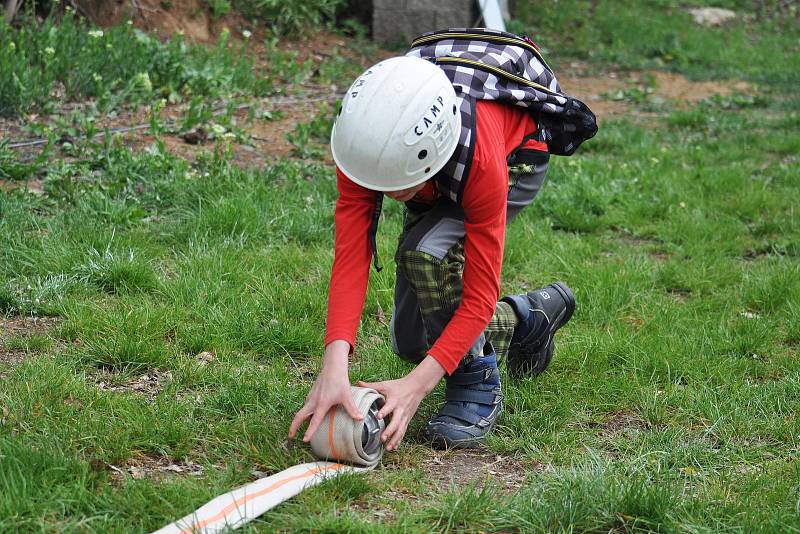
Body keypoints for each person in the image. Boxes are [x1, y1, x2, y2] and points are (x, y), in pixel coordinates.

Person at [289, 29, 595, 450]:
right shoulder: (366, 141)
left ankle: (478, 381)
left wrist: (418, 387)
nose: (386, 194)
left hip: (515, 156)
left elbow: (479, 293)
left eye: (395, 184)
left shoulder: (481, 161)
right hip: (435, 167)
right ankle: (527, 320)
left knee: (425, 255)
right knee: (412, 342)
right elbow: (351, 257)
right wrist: (333, 369)